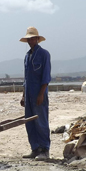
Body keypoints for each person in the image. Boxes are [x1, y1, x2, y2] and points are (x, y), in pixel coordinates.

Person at [20, 27, 51, 161]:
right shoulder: (27, 56)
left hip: (39, 93)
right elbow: (26, 78)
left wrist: (41, 94)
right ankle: (35, 148)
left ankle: (45, 150)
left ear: (37, 39)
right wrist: (23, 95)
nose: (30, 41)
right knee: (30, 122)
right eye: (28, 39)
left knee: (41, 121)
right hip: (28, 94)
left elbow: (46, 76)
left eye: (32, 38)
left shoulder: (44, 54)